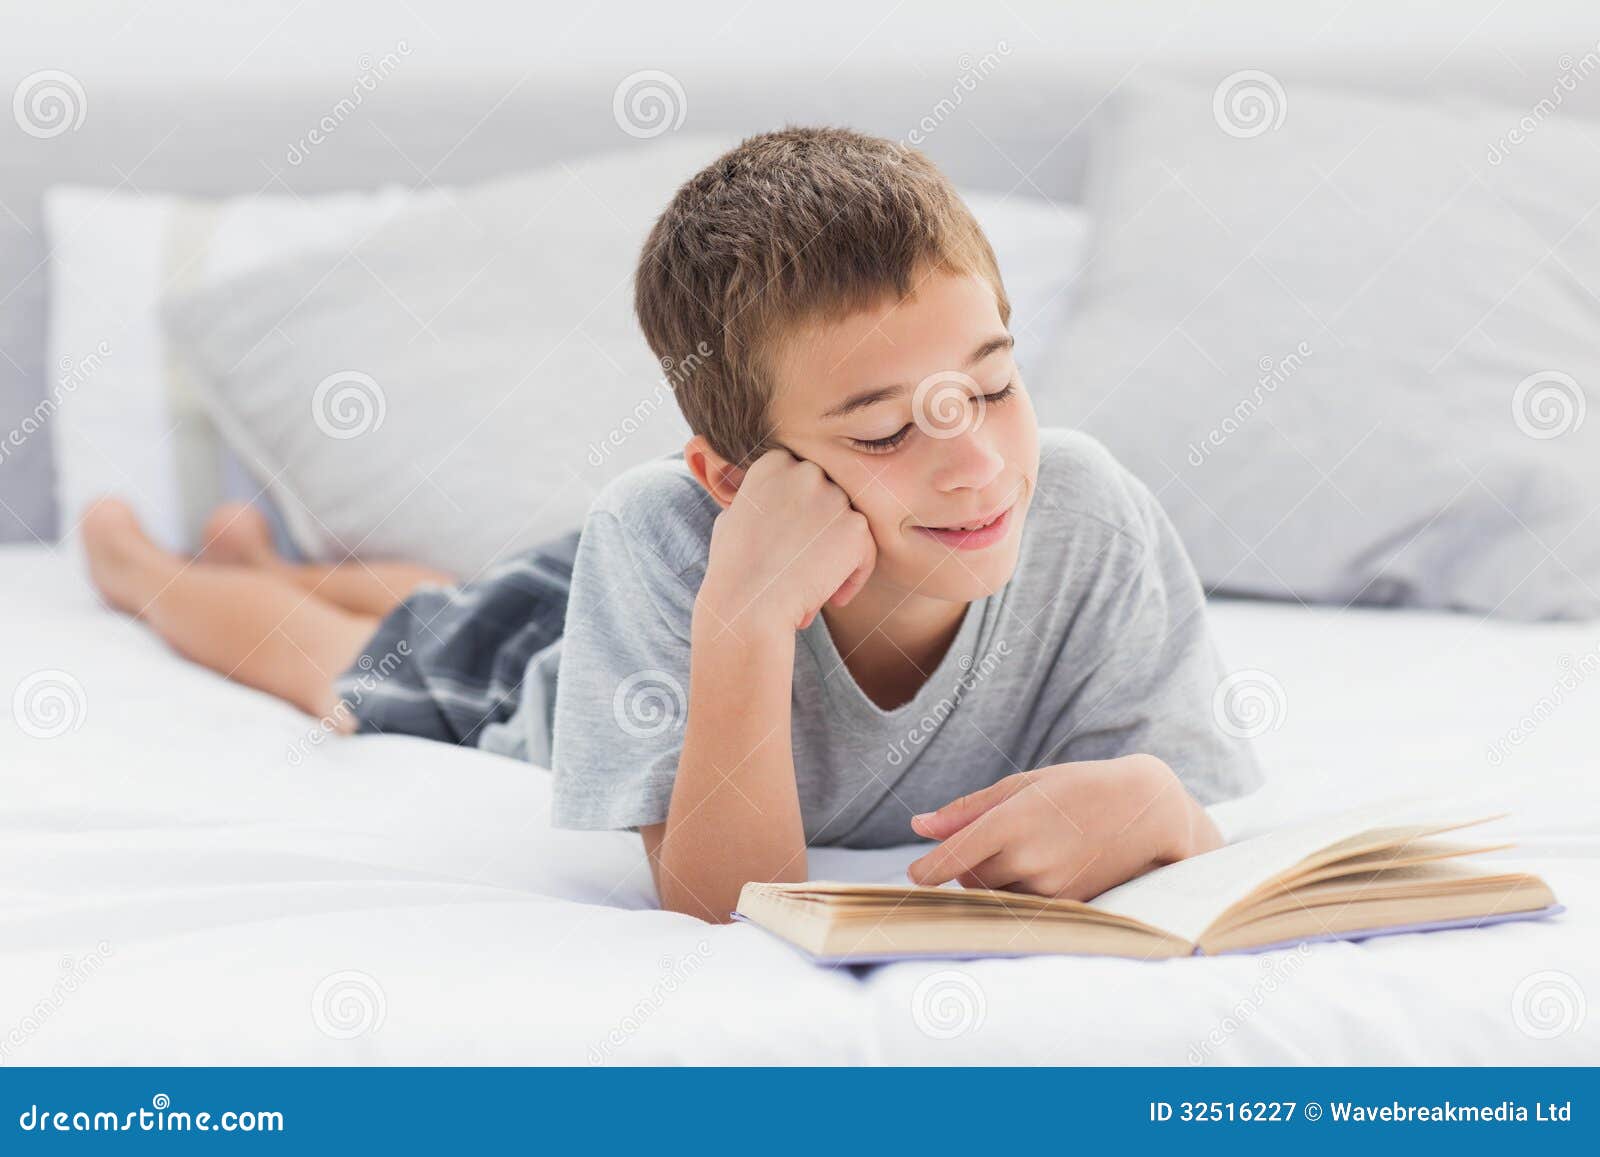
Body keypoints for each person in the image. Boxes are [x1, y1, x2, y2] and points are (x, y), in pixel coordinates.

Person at [84, 126, 1262, 925]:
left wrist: (1161, 804)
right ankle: (149, 567)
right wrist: (746, 613)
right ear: (738, 478)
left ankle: (290, 559)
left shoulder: (1087, 509)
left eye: (991, 386)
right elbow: (722, 900)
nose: (974, 466)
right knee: (347, 660)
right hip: (578, 648)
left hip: (617, 579)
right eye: (882, 431)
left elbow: (1175, 810)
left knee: (468, 581)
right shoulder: (662, 536)